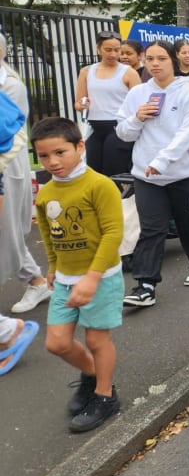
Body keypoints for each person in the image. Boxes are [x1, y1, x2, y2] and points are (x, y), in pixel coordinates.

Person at [31, 117, 124, 431]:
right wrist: (54, 268)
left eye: (60, 152)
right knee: (56, 343)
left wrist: (92, 278)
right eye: (44, 156)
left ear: (80, 146)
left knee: (97, 339)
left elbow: (113, 234)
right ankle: (93, 375)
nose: (53, 162)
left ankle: (105, 395)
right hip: (66, 278)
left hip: (101, 276)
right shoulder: (45, 194)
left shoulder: (99, 185)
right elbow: (49, 234)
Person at [117, 40, 189, 308]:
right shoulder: (137, 94)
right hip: (147, 176)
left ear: (173, 61)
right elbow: (123, 132)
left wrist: (161, 161)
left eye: (161, 58)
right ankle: (145, 285)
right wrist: (137, 118)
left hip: (187, 173)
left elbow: (188, 133)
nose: (155, 63)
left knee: (188, 223)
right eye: (150, 59)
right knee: (151, 229)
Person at [1, 33, 53, 314]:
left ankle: (35, 282)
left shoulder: (11, 85)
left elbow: (7, 130)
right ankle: (36, 280)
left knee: (7, 232)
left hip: (7, 165)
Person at [74, 31, 141, 176]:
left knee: (113, 169)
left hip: (118, 126)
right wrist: (83, 105)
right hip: (94, 127)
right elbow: (78, 103)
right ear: (98, 49)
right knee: (93, 170)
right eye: (108, 50)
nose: (113, 54)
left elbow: (139, 103)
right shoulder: (86, 71)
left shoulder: (129, 73)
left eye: (117, 50)